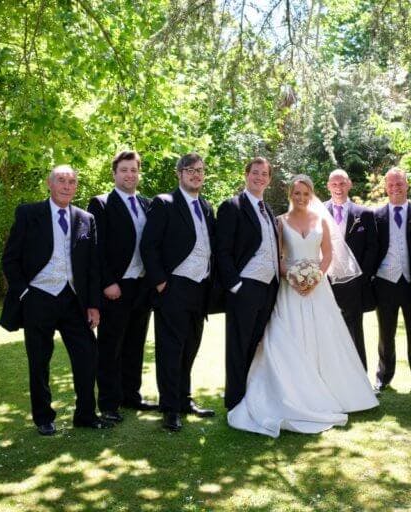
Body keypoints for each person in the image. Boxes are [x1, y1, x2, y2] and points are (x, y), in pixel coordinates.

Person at [227, 175, 378, 437]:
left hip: (318, 289)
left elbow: (328, 254)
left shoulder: (321, 220)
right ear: (290, 194)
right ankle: (294, 390)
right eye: (297, 193)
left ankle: (332, 390)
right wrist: (294, 277)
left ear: (312, 195)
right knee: (290, 335)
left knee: (325, 338)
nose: (301, 198)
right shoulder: (280, 222)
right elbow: (277, 257)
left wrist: (315, 277)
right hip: (290, 289)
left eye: (306, 193)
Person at [0, 165, 113, 435]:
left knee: (87, 356)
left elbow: (93, 266)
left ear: (76, 187)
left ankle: (86, 414)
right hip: (38, 298)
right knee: (39, 361)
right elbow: (10, 259)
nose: (66, 186)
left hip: (74, 300)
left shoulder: (85, 218)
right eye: (61, 180)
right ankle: (43, 417)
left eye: (71, 182)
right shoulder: (29, 214)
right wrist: (24, 293)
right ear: (49, 184)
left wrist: (93, 305)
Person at [140, 153, 217, 432]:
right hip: (173, 287)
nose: (196, 174)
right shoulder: (164, 203)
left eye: (200, 170)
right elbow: (149, 246)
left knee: (190, 347)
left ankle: (184, 400)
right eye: (190, 170)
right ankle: (170, 409)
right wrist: (161, 282)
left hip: (200, 288)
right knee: (171, 350)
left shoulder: (206, 206)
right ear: (179, 174)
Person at [87, 150, 157, 423]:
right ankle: (108, 403)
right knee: (110, 347)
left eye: (134, 170)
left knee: (135, 344)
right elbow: (96, 249)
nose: (129, 174)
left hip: (142, 286)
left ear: (139, 173)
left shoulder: (147, 203)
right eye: (124, 170)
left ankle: (131, 395)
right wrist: (107, 283)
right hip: (116, 287)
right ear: (114, 174)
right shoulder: (101, 204)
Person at [216, 157, 280, 411]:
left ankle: (251, 396)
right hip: (245, 287)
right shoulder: (232, 206)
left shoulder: (268, 210)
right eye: (255, 172)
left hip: (269, 288)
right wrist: (235, 286)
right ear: (246, 174)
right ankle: (235, 402)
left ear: (269, 179)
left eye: (264, 174)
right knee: (238, 347)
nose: (259, 177)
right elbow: (222, 251)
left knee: (256, 345)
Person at [373, 167, 411, 393]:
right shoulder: (376, 215)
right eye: (390, 184)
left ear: (407, 184)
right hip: (385, 282)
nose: (395, 188)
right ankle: (383, 377)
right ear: (385, 187)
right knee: (385, 334)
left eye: (399, 183)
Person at [324, 169, 378, 369]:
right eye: (334, 184)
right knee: (327, 329)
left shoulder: (364, 214)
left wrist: (362, 277)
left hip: (354, 283)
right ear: (328, 186)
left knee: (354, 329)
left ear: (350, 184)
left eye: (342, 183)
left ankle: (359, 374)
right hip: (326, 282)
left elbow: (373, 248)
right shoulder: (319, 211)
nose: (338, 187)